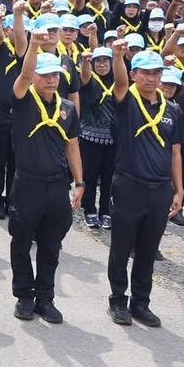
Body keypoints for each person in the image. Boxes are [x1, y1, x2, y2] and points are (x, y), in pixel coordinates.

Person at [103, 45, 183, 327]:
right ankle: (117, 300)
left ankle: (141, 302)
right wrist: (117, 56)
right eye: (146, 73)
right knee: (122, 247)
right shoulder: (127, 100)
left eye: (157, 73)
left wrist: (179, 188)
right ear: (135, 74)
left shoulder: (171, 108)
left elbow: (175, 151)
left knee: (148, 250)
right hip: (129, 185)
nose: (152, 78)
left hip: (159, 189)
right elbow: (121, 82)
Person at [8, 42, 84, 323]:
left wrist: (80, 182)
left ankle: (45, 298)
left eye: (55, 75)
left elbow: (72, 146)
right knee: (22, 240)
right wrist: (34, 46)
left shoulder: (66, 108)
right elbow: (24, 77)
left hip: (56, 185)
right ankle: (24, 295)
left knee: (51, 244)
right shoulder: (24, 99)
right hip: (27, 183)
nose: (51, 80)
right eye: (45, 75)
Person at [76, 45, 117, 229]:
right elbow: (85, 75)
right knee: (90, 176)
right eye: (97, 61)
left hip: (113, 138)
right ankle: (90, 209)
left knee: (109, 176)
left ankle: (106, 210)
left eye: (105, 61)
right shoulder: (89, 81)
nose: (101, 65)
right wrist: (86, 62)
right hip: (90, 136)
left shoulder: (118, 81)